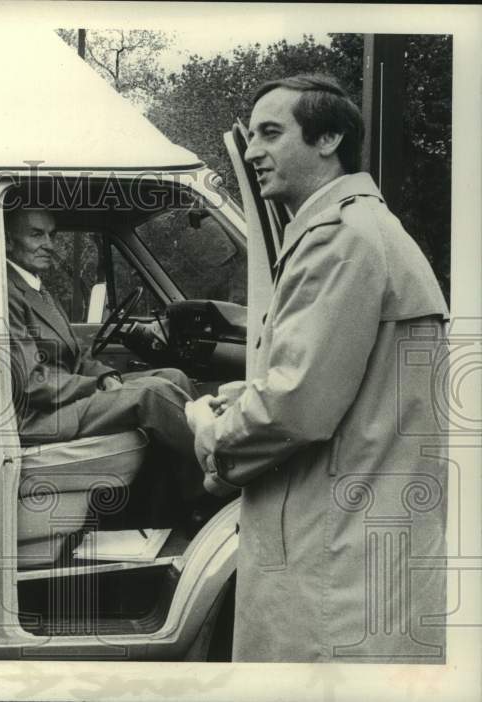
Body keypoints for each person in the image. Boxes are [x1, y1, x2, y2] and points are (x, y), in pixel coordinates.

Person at [185, 74, 449, 662]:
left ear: (329, 138)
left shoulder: (339, 239)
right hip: (359, 543)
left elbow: (295, 408)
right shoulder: (365, 229)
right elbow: (351, 384)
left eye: (272, 133)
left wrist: (212, 437)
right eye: (252, 136)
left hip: (332, 557)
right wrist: (250, 390)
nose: (252, 151)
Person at [4, 206, 213, 523]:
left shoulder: (37, 287)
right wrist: (96, 385)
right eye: (36, 234)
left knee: (172, 375)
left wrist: (106, 374)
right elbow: (34, 383)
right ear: (9, 241)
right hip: (39, 416)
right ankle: (212, 496)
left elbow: (79, 355)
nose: (49, 243)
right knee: (152, 394)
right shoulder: (6, 292)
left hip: (63, 400)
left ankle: (175, 504)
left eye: (52, 235)